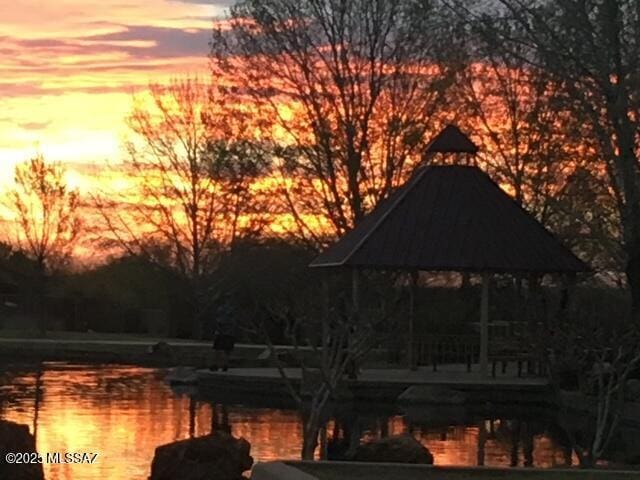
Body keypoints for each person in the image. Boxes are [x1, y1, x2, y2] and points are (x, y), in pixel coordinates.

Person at [211, 293, 236, 372]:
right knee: (227, 350)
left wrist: (218, 329)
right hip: (231, 332)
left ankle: (218, 364)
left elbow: (219, 321)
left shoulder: (221, 309)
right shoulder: (233, 309)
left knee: (219, 349)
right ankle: (225, 364)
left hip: (222, 332)